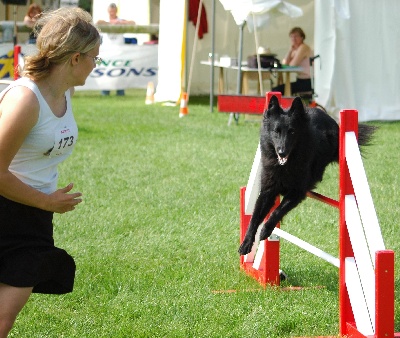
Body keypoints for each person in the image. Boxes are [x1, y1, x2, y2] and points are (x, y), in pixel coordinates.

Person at [0, 7, 101, 337]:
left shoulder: (65, 92)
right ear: (74, 58)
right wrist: (46, 202)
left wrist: (44, 206)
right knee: (4, 316)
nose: (96, 65)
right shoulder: (25, 101)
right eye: (93, 57)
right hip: (8, 213)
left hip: (33, 220)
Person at [97, 3, 135, 96]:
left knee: (119, 72)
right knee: (106, 71)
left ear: (116, 11)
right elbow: (98, 22)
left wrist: (120, 23)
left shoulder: (121, 21)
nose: (112, 13)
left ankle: (120, 92)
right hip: (106, 52)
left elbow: (133, 23)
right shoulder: (105, 21)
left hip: (119, 51)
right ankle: (105, 92)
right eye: (110, 11)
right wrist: (111, 23)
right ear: (108, 11)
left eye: (113, 11)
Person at [272, 27, 313, 95]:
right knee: (277, 89)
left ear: (302, 37)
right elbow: (285, 63)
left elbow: (292, 65)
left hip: (307, 82)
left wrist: (290, 58)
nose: (294, 39)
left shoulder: (303, 47)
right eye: (292, 36)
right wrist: (290, 50)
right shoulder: (295, 49)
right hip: (300, 80)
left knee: (277, 90)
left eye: (296, 36)